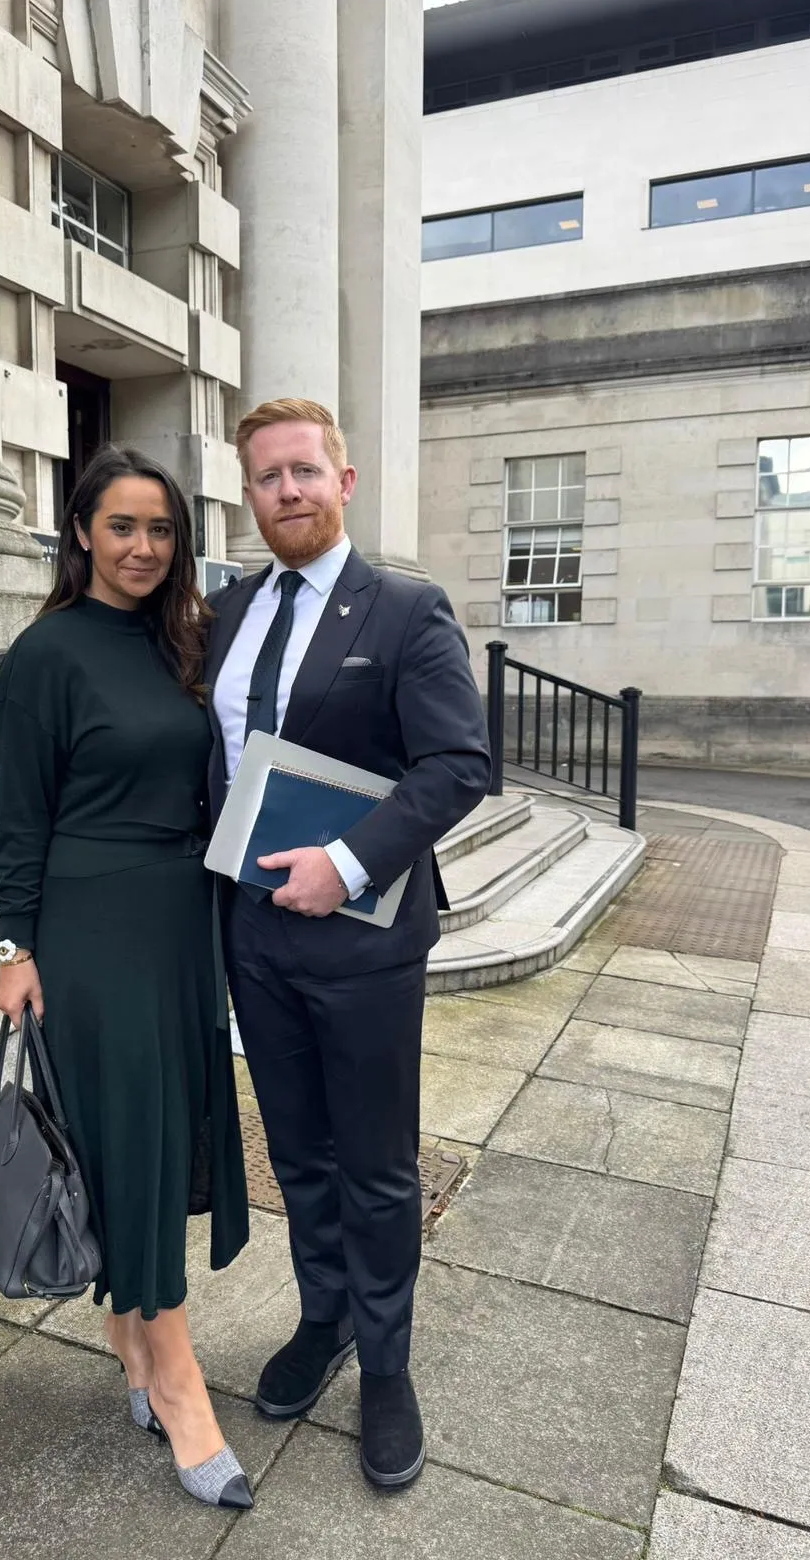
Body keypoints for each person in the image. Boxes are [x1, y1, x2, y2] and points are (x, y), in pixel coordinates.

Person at [206, 399, 491, 1489]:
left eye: (304, 471)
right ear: (251, 493)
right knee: (297, 1154)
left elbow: (456, 765)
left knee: (375, 1166)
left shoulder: (406, 611)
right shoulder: (228, 617)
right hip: (253, 936)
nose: (288, 490)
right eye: (269, 477)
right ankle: (322, 1317)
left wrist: (351, 861)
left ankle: (386, 1364)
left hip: (363, 942)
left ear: (345, 480)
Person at [0, 445, 252, 1511]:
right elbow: (21, 816)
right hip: (92, 923)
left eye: (161, 529)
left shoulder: (188, 640)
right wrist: (15, 948)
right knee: (133, 1137)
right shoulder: (45, 654)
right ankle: (180, 1382)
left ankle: (130, 1336)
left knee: (158, 1131)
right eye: (122, 527)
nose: (144, 547)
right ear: (81, 534)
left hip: (182, 921)